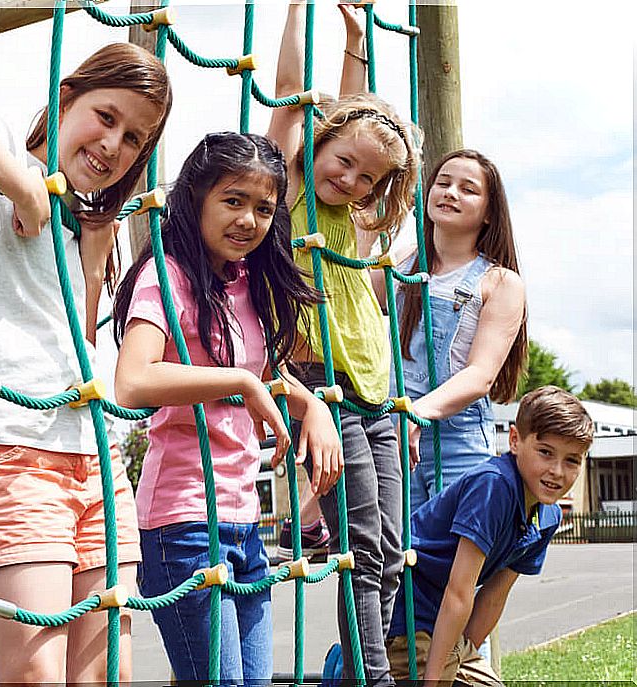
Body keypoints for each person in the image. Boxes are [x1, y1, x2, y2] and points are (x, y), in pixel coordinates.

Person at [0, 43, 172, 683]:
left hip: (93, 453)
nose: (113, 145)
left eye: (133, 138)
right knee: (35, 675)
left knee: (107, 674)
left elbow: (73, 334)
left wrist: (96, 247)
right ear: (67, 97)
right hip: (5, 442)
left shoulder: (89, 222)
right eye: (105, 117)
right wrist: (25, 187)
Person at [112, 132, 343, 684]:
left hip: (242, 517)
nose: (248, 220)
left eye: (263, 208)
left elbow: (263, 374)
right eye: (233, 200)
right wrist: (241, 380)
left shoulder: (244, 283)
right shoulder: (167, 275)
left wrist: (310, 403)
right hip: (183, 521)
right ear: (196, 200)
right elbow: (132, 381)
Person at [266, 3, 422, 683]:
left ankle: (354, 667)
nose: (352, 181)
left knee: (389, 546)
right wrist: (303, 9)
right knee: (360, 546)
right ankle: (373, 677)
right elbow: (294, 94)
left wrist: (359, 39)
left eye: (368, 177)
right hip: (323, 380)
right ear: (321, 142)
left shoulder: (354, 218)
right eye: (345, 162)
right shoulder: (293, 185)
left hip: (379, 391)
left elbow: (361, 125)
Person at [386, 386, 593, 684]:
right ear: (514, 441)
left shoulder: (548, 516)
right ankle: (347, 666)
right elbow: (460, 591)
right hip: (406, 615)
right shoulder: (493, 487)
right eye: (545, 452)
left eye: (572, 460)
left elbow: (494, 596)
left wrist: (463, 659)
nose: (557, 471)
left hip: (446, 629)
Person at [387, 149, 527, 513]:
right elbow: (351, 296)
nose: (450, 192)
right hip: (394, 430)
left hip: (457, 434)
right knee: (398, 553)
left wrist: (415, 413)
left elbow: (480, 375)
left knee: (456, 552)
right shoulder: (403, 262)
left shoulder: (498, 282)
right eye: (443, 183)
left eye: (468, 189)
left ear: (489, 212)